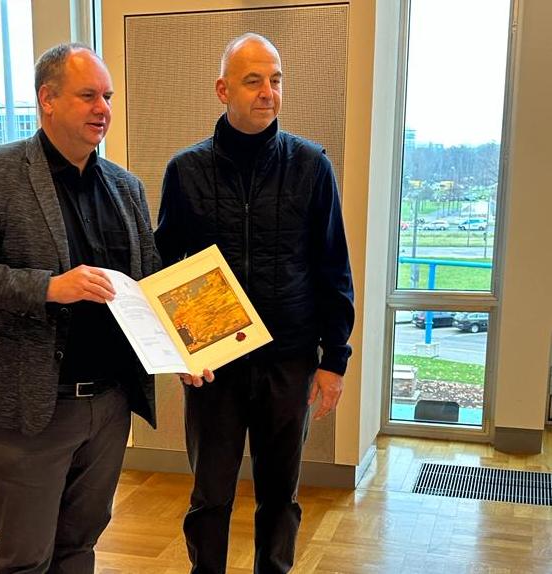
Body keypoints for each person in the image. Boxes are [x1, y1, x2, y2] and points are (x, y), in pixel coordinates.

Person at [0, 43, 159, 574]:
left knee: (79, 548)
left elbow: (151, 284)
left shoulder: (126, 188)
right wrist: (49, 288)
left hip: (109, 404)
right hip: (31, 407)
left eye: (107, 96)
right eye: (88, 96)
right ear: (47, 99)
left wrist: (185, 349)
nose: (102, 108)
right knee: (25, 560)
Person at [155, 33, 355, 574]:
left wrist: (334, 360)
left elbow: (333, 268)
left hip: (289, 361)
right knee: (210, 497)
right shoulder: (186, 170)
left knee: (280, 497)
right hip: (213, 367)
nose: (268, 92)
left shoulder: (311, 166)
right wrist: (179, 350)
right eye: (253, 81)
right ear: (223, 90)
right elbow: (166, 269)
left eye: (276, 79)